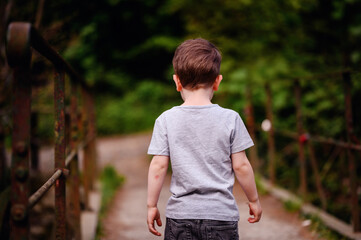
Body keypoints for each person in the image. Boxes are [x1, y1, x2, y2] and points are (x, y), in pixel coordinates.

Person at [147, 38, 262, 240]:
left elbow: (158, 166)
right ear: (217, 81)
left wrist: (151, 205)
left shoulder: (165, 120)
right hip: (221, 217)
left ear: (177, 82)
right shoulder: (231, 118)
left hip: (180, 217)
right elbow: (241, 166)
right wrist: (253, 199)